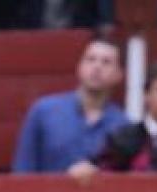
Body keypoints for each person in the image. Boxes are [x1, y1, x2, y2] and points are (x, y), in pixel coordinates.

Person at [11, 38, 127, 174]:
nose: (97, 67)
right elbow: (23, 170)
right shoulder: (44, 111)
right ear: (79, 67)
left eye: (106, 62)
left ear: (119, 75)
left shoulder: (123, 125)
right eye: (90, 59)